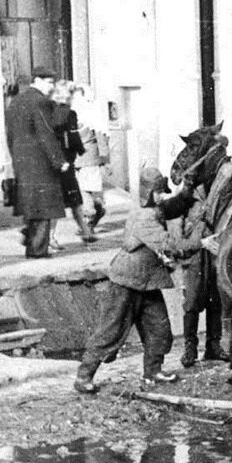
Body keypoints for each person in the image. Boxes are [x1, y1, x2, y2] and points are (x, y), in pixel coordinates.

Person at [74, 167, 194, 393]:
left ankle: (153, 371)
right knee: (111, 330)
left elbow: (171, 207)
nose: (162, 196)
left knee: (159, 328)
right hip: (126, 282)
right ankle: (84, 376)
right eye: (158, 192)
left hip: (148, 282)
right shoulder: (143, 216)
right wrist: (200, 243)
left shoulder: (152, 209)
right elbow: (169, 245)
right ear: (148, 193)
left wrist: (187, 190)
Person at [4, 66, 68, 259]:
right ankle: (38, 250)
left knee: (31, 205)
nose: (52, 86)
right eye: (49, 82)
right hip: (40, 162)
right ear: (37, 81)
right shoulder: (40, 101)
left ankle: (32, 244)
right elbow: (46, 133)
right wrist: (59, 161)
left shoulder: (16, 101)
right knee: (43, 206)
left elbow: (10, 134)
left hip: (22, 160)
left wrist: (15, 157)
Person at [173, 185, 224, 369]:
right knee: (191, 303)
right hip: (193, 259)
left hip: (213, 256)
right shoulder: (183, 199)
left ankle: (214, 345)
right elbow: (176, 241)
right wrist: (200, 243)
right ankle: (190, 348)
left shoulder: (216, 191)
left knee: (216, 301)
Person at [49, 79, 98, 247]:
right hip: (65, 162)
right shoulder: (69, 113)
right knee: (72, 199)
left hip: (56, 162)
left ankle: (81, 232)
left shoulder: (50, 111)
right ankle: (81, 232)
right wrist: (80, 151)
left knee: (67, 200)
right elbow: (73, 136)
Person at [71, 84, 109, 230]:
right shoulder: (74, 113)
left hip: (88, 158)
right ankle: (97, 210)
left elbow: (101, 138)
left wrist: (105, 160)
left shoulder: (91, 114)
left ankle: (90, 217)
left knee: (85, 189)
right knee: (89, 189)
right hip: (80, 159)